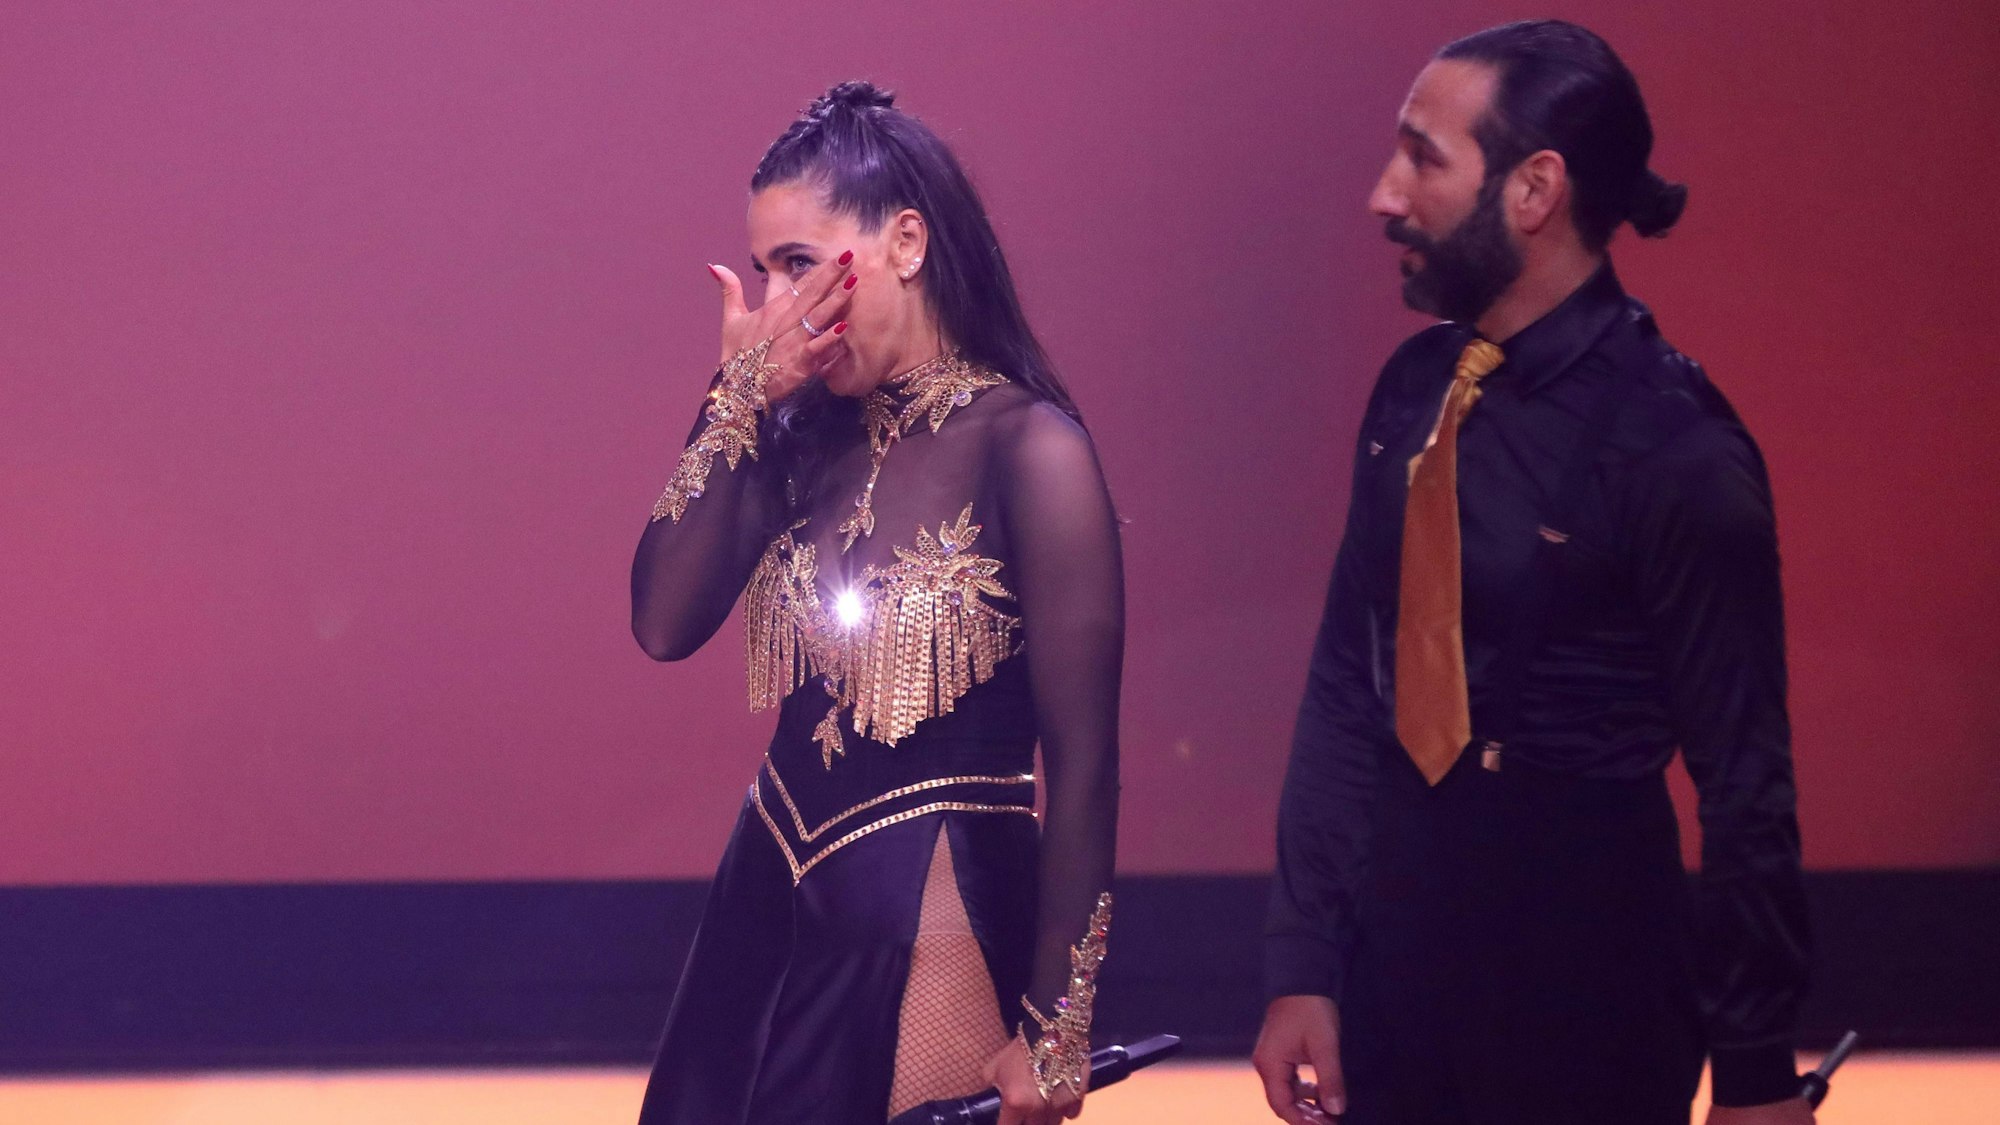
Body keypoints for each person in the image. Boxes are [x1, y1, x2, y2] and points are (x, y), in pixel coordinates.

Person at [1252, 21, 1812, 1125]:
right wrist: (1302, 961)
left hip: (1586, 973)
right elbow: (1344, 688)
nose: (1381, 194)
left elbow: (1745, 783)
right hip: (1394, 952)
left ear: (1532, 189)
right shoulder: (1412, 390)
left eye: (1422, 156)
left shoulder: (1675, 447)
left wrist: (1753, 1072)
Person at [629, 81, 1121, 1125]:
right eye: (765, 273)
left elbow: (1080, 765)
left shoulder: (1030, 451)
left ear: (904, 241)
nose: (778, 308)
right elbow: (662, 624)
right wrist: (733, 404)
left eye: (799, 265)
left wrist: (1055, 1024)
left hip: (932, 920)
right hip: (762, 895)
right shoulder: (795, 436)